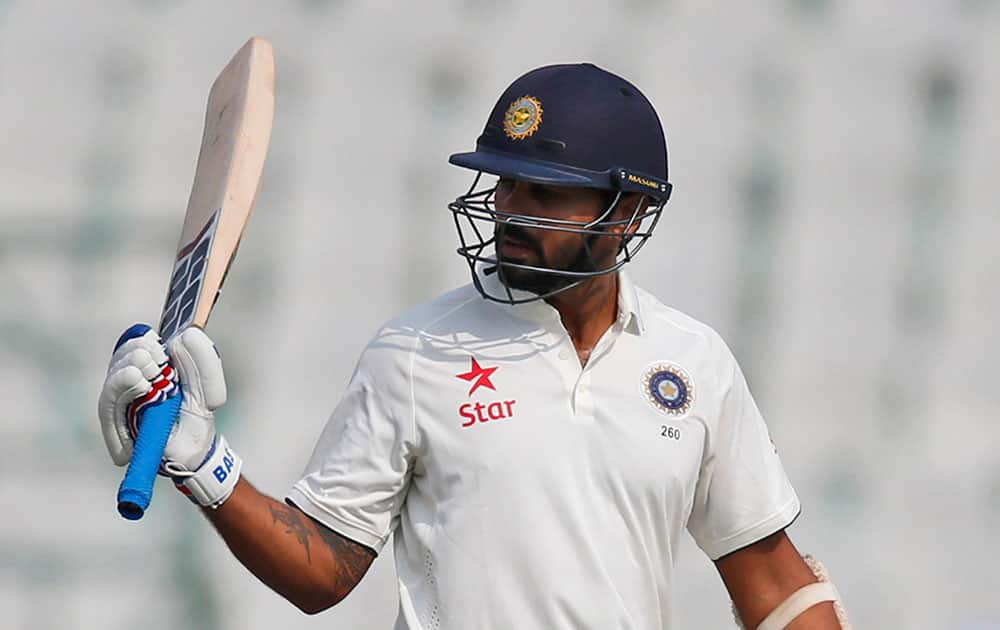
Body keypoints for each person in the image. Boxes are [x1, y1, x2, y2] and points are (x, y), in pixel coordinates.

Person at [99, 63, 849, 629]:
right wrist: (208, 469)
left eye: (546, 193)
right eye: (506, 185)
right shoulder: (416, 351)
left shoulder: (694, 363)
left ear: (630, 210)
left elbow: (775, 583)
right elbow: (320, 572)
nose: (510, 211)